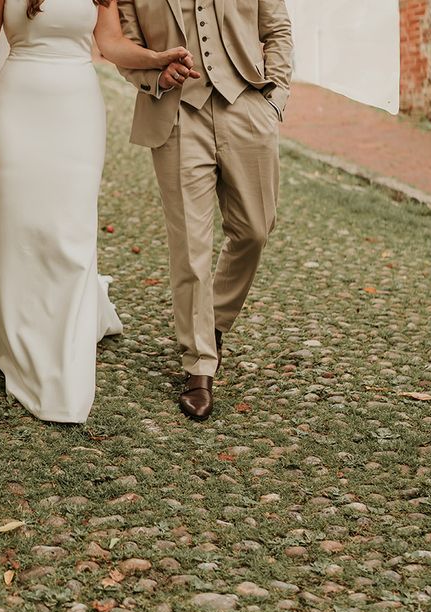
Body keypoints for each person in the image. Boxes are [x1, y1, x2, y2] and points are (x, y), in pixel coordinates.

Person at [0, 0, 193, 424]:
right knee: (21, 223)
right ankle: (20, 332)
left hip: (78, 110)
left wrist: (156, 60)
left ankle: (65, 346)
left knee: (70, 228)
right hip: (18, 106)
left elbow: (110, 43)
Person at [117, 0, 293, 420]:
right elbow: (123, 45)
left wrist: (275, 96)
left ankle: (210, 321)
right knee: (191, 246)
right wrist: (155, 75)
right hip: (176, 114)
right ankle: (199, 365)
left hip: (247, 106)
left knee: (255, 230)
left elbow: (277, 29)